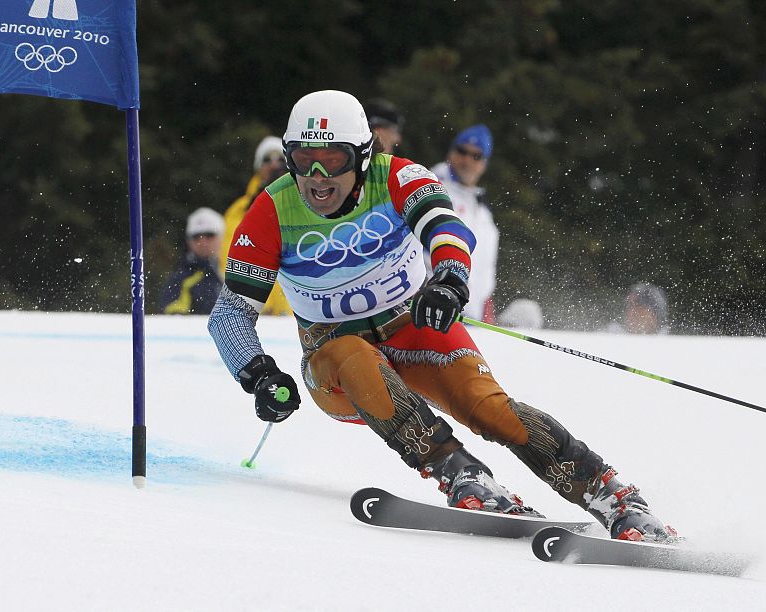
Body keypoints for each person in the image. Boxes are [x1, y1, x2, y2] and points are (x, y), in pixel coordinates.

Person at [208, 90, 675, 542]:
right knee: (350, 350)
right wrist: (259, 375)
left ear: (364, 155)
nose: (316, 175)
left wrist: (450, 278)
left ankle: (614, 499)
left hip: (414, 331)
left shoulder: (397, 177)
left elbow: (446, 227)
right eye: (302, 157)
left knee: (492, 410)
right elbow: (229, 315)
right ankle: (462, 475)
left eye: (334, 159)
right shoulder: (272, 208)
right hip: (337, 369)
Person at [430, 125, 499, 323]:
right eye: (462, 151)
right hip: (437, 308)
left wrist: (485, 305)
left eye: (476, 156)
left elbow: (484, 265)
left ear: (484, 164)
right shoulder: (433, 189)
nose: (467, 160)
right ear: (451, 152)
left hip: (471, 317)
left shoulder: (482, 207)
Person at [220, 135, 292, 315]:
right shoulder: (240, 210)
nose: (274, 165)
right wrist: (255, 302)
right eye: (267, 160)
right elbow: (229, 258)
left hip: (294, 316)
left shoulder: (307, 203)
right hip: (258, 313)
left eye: (281, 160)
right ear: (258, 167)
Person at [160, 207, 225, 315]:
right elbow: (172, 318)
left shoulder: (236, 270)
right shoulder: (180, 279)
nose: (202, 241)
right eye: (196, 237)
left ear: (221, 237)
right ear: (188, 241)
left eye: (209, 235)